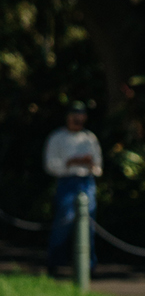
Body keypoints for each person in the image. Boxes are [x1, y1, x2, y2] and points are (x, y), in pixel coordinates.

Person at [44, 103, 103, 277]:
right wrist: (70, 163)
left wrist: (89, 164)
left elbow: (99, 167)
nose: (77, 119)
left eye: (80, 116)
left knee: (88, 224)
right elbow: (50, 165)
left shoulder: (90, 138)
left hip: (87, 183)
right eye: (74, 116)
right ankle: (54, 263)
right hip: (66, 183)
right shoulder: (57, 137)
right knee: (64, 221)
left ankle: (89, 266)